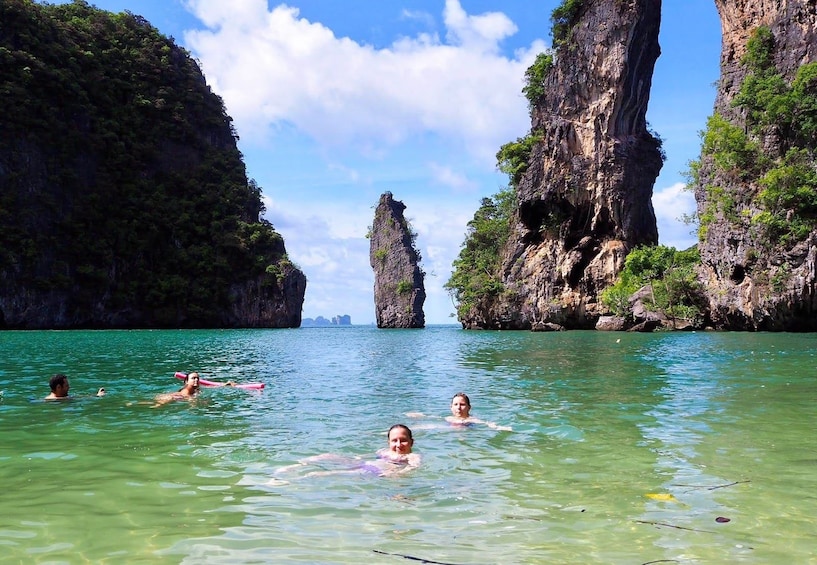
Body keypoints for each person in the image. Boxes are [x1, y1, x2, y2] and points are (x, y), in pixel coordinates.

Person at [272, 424, 421, 480]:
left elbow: (413, 467)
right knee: (327, 456)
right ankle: (297, 465)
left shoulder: (412, 456)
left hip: (375, 471)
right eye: (394, 440)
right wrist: (356, 458)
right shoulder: (383, 451)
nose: (398, 444)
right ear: (388, 442)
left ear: (412, 442)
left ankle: (290, 480)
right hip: (365, 464)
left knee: (321, 474)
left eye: (403, 440)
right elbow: (371, 456)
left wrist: (396, 474)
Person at [406, 392, 512, 431]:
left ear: (469, 407)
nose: (458, 408)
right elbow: (435, 417)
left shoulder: (471, 419)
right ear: (451, 407)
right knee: (427, 426)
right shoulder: (449, 418)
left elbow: (487, 423)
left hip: (467, 431)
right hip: (450, 428)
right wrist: (421, 415)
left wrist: (499, 427)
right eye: (456, 405)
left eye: (462, 404)